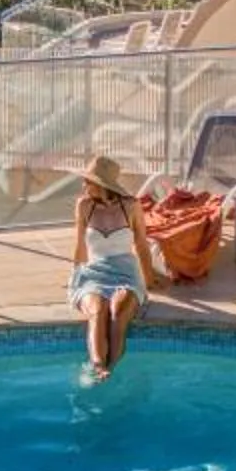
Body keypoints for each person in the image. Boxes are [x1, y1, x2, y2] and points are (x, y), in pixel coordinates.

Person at [68, 155, 158, 377]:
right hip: (93, 275)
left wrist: (149, 280)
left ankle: (111, 367)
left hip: (126, 275)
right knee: (97, 310)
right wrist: (75, 277)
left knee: (118, 311)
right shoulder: (84, 206)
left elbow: (141, 245)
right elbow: (79, 245)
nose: (84, 186)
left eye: (88, 181)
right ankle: (98, 366)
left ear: (102, 185)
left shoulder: (131, 206)